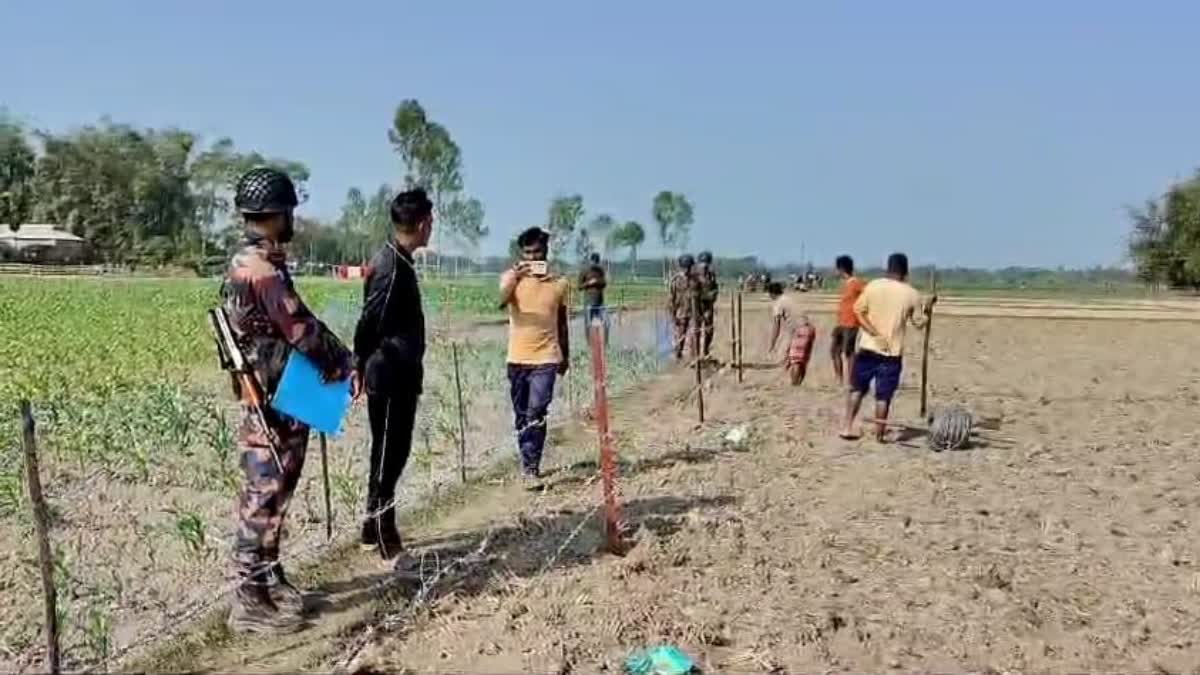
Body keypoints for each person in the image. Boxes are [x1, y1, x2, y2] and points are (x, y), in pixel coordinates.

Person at [219, 167, 353, 634]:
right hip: (272, 396)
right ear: (277, 214)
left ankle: (269, 579)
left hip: (280, 390)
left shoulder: (253, 261)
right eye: (291, 210)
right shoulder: (261, 270)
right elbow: (302, 329)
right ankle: (248, 599)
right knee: (263, 493)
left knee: (276, 491)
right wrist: (345, 363)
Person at [351, 188, 433, 560]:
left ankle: (372, 527)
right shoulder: (391, 267)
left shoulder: (398, 260)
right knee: (391, 453)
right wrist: (358, 365)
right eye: (430, 223)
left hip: (398, 371)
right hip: (389, 373)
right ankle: (385, 533)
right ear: (421, 224)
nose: (432, 229)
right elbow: (370, 321)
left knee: (388, 451)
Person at [499, 227, 570, 486]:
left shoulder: (559, 283)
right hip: (517, 357)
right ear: (522, 254)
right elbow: (499, 301)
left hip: (547, 357)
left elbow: (562, 322)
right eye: (527, 252)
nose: (532, 257)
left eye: (536, 252)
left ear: (545, 252)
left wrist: (566, 354)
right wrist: (515, 278)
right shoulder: (510, 277)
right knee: (521, 415)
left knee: (536, 410)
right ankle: (527, 459)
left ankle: (531, 466)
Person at [839, 252, 935, 442]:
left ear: (888, 269)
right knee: (883, 396)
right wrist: (927, 310)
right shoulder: (911, 294)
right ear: (905, 271)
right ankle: (879, 433)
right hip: (891, 352)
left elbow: (859, 312)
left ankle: (847, 426)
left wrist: (874, 333)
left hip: (868, 347)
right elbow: (919, 323)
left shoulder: (874, 286)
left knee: (857, 388)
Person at [765, 282, 816, 386]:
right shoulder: (788, 299)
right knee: (801, 360)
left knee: (795, 360)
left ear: (772, 293)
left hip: (800, 330)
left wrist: (772, 344)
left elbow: (776, 326)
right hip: (809, 329)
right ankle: (798, 384)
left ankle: (794, 386)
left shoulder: (778, 303)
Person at [830, 255, 867, 385]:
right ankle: (839, 380)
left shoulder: (856, 283)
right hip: (841, 323)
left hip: (851, 323)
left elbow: (869, 295)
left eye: (836, 269)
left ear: (841, 269)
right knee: (834, 351)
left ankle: (852, 380)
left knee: (849, 352)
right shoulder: (845, 284)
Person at [667, 254, 699, 360]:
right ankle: (678, 357)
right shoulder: (675, 281)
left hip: (694, 312)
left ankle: (694, 359)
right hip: (681, 313)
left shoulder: (696, 280)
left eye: (690, 267)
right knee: (680, 337)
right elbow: (671, 300)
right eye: (688, 267)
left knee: (694, 336)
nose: (689, 269)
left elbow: (700, 296)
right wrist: (673, 315)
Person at [578, 252, 608, 344]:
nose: (595, 263)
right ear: (591, 261)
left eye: (597, 261)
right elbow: (579, 287)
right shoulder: (584, 271)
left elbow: (604, 283)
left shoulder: (600, 271)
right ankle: (589, 343)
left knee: (604, 322)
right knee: (588, 323)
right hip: (589, 302)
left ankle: (604, 343)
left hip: (600, 301)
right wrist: (589, 283)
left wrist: (598, 282)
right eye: (594, 261)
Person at [695, 250, 719, 358]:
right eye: (702, 263)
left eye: (707, 263)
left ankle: (705, 351)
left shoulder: (711, 275)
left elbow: (715, 288)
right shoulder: (694, 276)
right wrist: (703, 296)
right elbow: (692, 292)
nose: (704, 265)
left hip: (708, 306)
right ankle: (695, 353)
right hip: (696, 306)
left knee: (709, 330)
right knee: (696, 330)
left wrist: (713, 295)